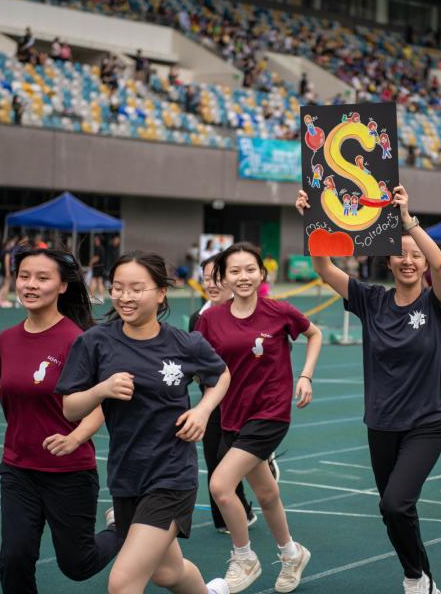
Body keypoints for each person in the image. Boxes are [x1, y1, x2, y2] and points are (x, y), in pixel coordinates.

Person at [0, 247, 122, 593]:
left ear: (63, 286)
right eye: (24, 276)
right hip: (18, 468)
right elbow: (0, 385)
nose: (30, 285)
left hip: (69, 472)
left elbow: (96, 406)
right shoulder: (8, 338)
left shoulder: (78, 341)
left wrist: (74, 439)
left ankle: (120, 529)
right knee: (14, 559)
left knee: (78, 564)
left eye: (42, 278)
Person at [296, 185, 441, 594]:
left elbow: (440, 267)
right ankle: (419, 578)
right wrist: (312, 219)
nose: (408, 260)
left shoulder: (436, 306)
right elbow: (323, 268)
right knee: (395, 512)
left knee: (394, 503)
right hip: (381, 423)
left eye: (415, 255)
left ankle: (415, 577)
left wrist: (408, 221)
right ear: (389, 259)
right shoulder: (371, 300)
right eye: (401, 253)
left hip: (426, 423)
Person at [58, 251, 231, 594]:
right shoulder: (94, 342)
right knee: (168, 573)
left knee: (123, 584)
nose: (124, 296)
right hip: (126, 476)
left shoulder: (185, 343)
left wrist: (203, 410)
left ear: (161, 292)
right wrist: (102, 389)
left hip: (171, 475)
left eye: (136, 288)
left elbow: (221, 374)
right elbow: (70, 410)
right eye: (118, 287)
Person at [197, 242, 322, 593]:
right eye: (234, 271)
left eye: (250, 269)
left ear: (262, 273)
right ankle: (291, 553)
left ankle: (243, 557)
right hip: (232, 416)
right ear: (222, 278)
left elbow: (314, 334)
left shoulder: (279, 311)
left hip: (270, 414)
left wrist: (306, 376)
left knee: (221, 486)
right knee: (266, 495)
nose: (243, 277)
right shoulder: (210, 319)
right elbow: (195, 359)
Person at [188, 255, 257, 535]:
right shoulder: (198, 318)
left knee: (231, 455)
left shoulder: (247, 312)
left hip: (247, 398)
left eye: (217, 278)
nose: (212, 284)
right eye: (206, 278)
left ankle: (263, 459)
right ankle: (232, 516)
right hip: (214, 399)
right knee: (215, 458)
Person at [0, 236, 18, 308]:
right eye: (12, 242)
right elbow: (6, 262)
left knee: (5, 284)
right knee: (6, 285)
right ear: (9, 242)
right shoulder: (7, 252)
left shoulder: (3, 250)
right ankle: (3, 301)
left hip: (4, 270)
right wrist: (8, 272)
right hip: (6, 271)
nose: (13, 244)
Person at [89, 235, 106, 303]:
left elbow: (97, 258)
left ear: (99, 240)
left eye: (96, 240)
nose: (94, 241)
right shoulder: (102, 248)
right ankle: (101, 298)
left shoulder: (99, 248)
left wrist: (90, 262)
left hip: (97, 267)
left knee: (93, 282)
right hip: (101, 267)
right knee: (100, 282)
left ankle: (91, 297)